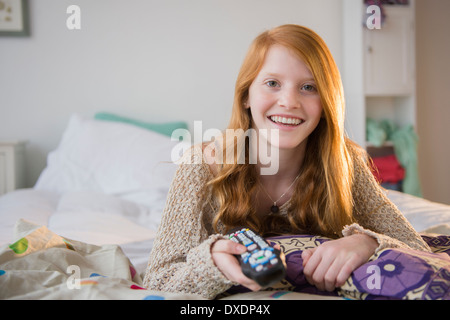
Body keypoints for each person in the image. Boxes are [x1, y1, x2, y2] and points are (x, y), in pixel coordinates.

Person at [142, 24, 430, 299]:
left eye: (309, 87)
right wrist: (211, 263)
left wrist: (367, 241)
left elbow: (415, 245)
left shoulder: (345, 163)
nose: (289, 101)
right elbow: (157, 282)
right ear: (246, 95)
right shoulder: (201, 165)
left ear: (326, 103)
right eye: (272, 83)